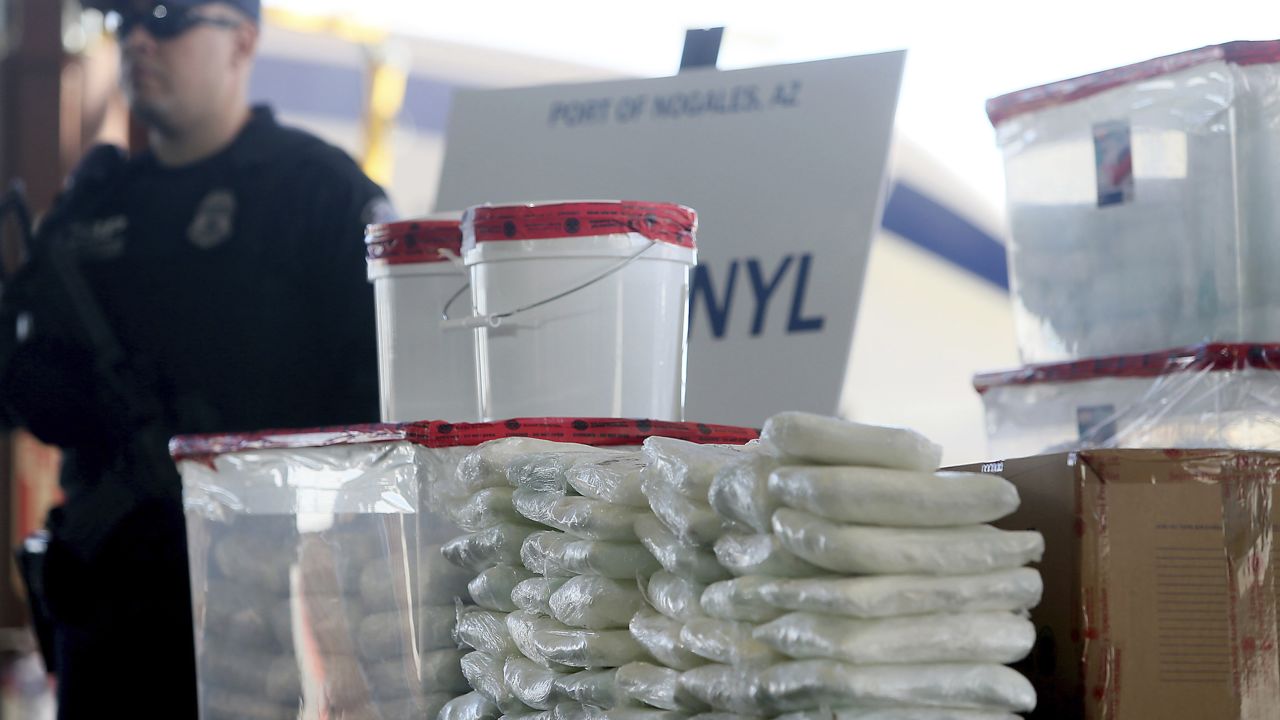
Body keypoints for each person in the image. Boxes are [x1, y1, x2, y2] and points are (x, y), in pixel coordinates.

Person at [0, 0, 390, 716]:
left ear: (242, 39)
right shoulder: (93, 206)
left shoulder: (317, 192)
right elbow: (28, 396)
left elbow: (384, 397)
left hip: (270, 602)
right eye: (124, 21)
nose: (140, 38)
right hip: (111, 606)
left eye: (168, 17)